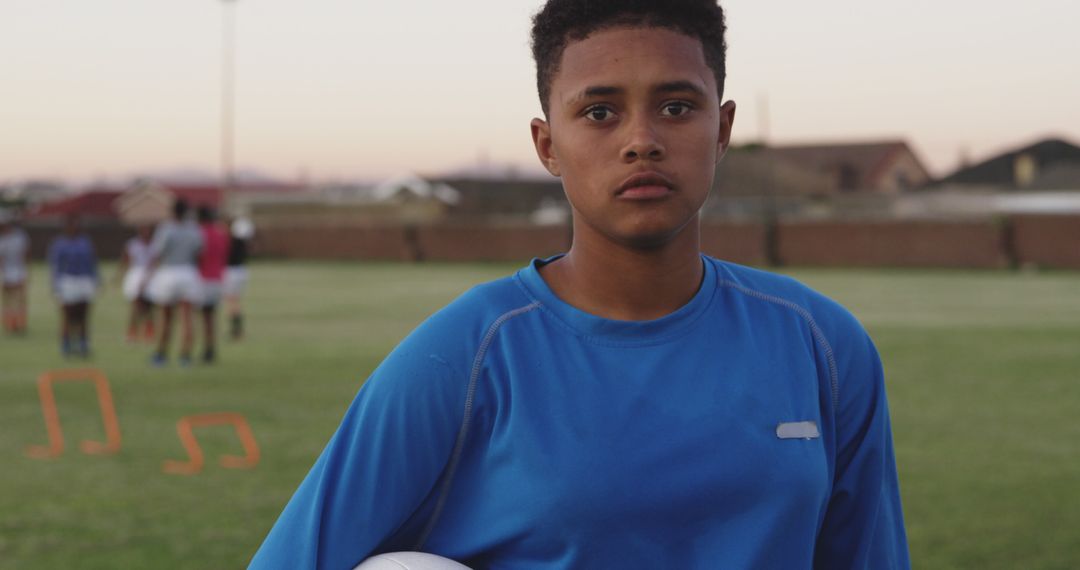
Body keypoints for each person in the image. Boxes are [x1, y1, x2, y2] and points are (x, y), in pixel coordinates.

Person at [251, 1, 909, 568]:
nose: (642, 140)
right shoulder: (464, 358)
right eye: (599, 113)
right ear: (547, 145)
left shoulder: (823, 345)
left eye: (677, 107)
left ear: (724, 128)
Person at [142, 199, 203, 366]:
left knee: (166, 318)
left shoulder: (166, 228)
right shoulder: (194, 229)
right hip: (189, 273)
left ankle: (161, 354)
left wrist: (147, 276)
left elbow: (158, 253)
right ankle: (185, 356)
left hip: (169, 273)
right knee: (187, 318)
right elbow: (199, 251)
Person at [47, 214, 99, 358]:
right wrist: (55, 285)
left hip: (84, 281)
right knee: (67, 315)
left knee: (83, 315)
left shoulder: (85, 242)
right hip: (67, 281)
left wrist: (96, 280)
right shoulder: (60, 244)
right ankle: (66, 344)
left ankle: (83, 344)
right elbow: (55, 266)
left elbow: (92, 263)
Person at [195, 205, 230, 363]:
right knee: (211, 316)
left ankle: (199, 349)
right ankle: (210, 348)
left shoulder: (198, 233)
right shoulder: (221, 233)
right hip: (218, 279)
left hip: (201, 279)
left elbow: (197, 256)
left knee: (198, 316)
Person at [116, 224, 156, 342]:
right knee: (136, 306)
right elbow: (125, 260)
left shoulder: (154, 245)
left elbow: (156, 262)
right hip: (135, 275)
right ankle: (132, 331)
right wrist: (119, 276)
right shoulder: (132, 244)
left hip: (150, 275)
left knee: (149, 306)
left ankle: (149, 332)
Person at [0, 211, 31, 335]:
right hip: (6, 272)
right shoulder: (2, 239)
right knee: (8, 299)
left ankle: (20, 323)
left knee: (20, 299)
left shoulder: (20, 237)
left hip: (19, 271)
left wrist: (26, 270)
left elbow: (26, 254)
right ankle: (10, 324)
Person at [224, 215, 253, 340]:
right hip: (242, 272)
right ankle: (237, 331)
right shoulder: (243, 243)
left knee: (233, 303)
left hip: (232, 273)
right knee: (235, 302)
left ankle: (237, 331)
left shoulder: (232, 242)